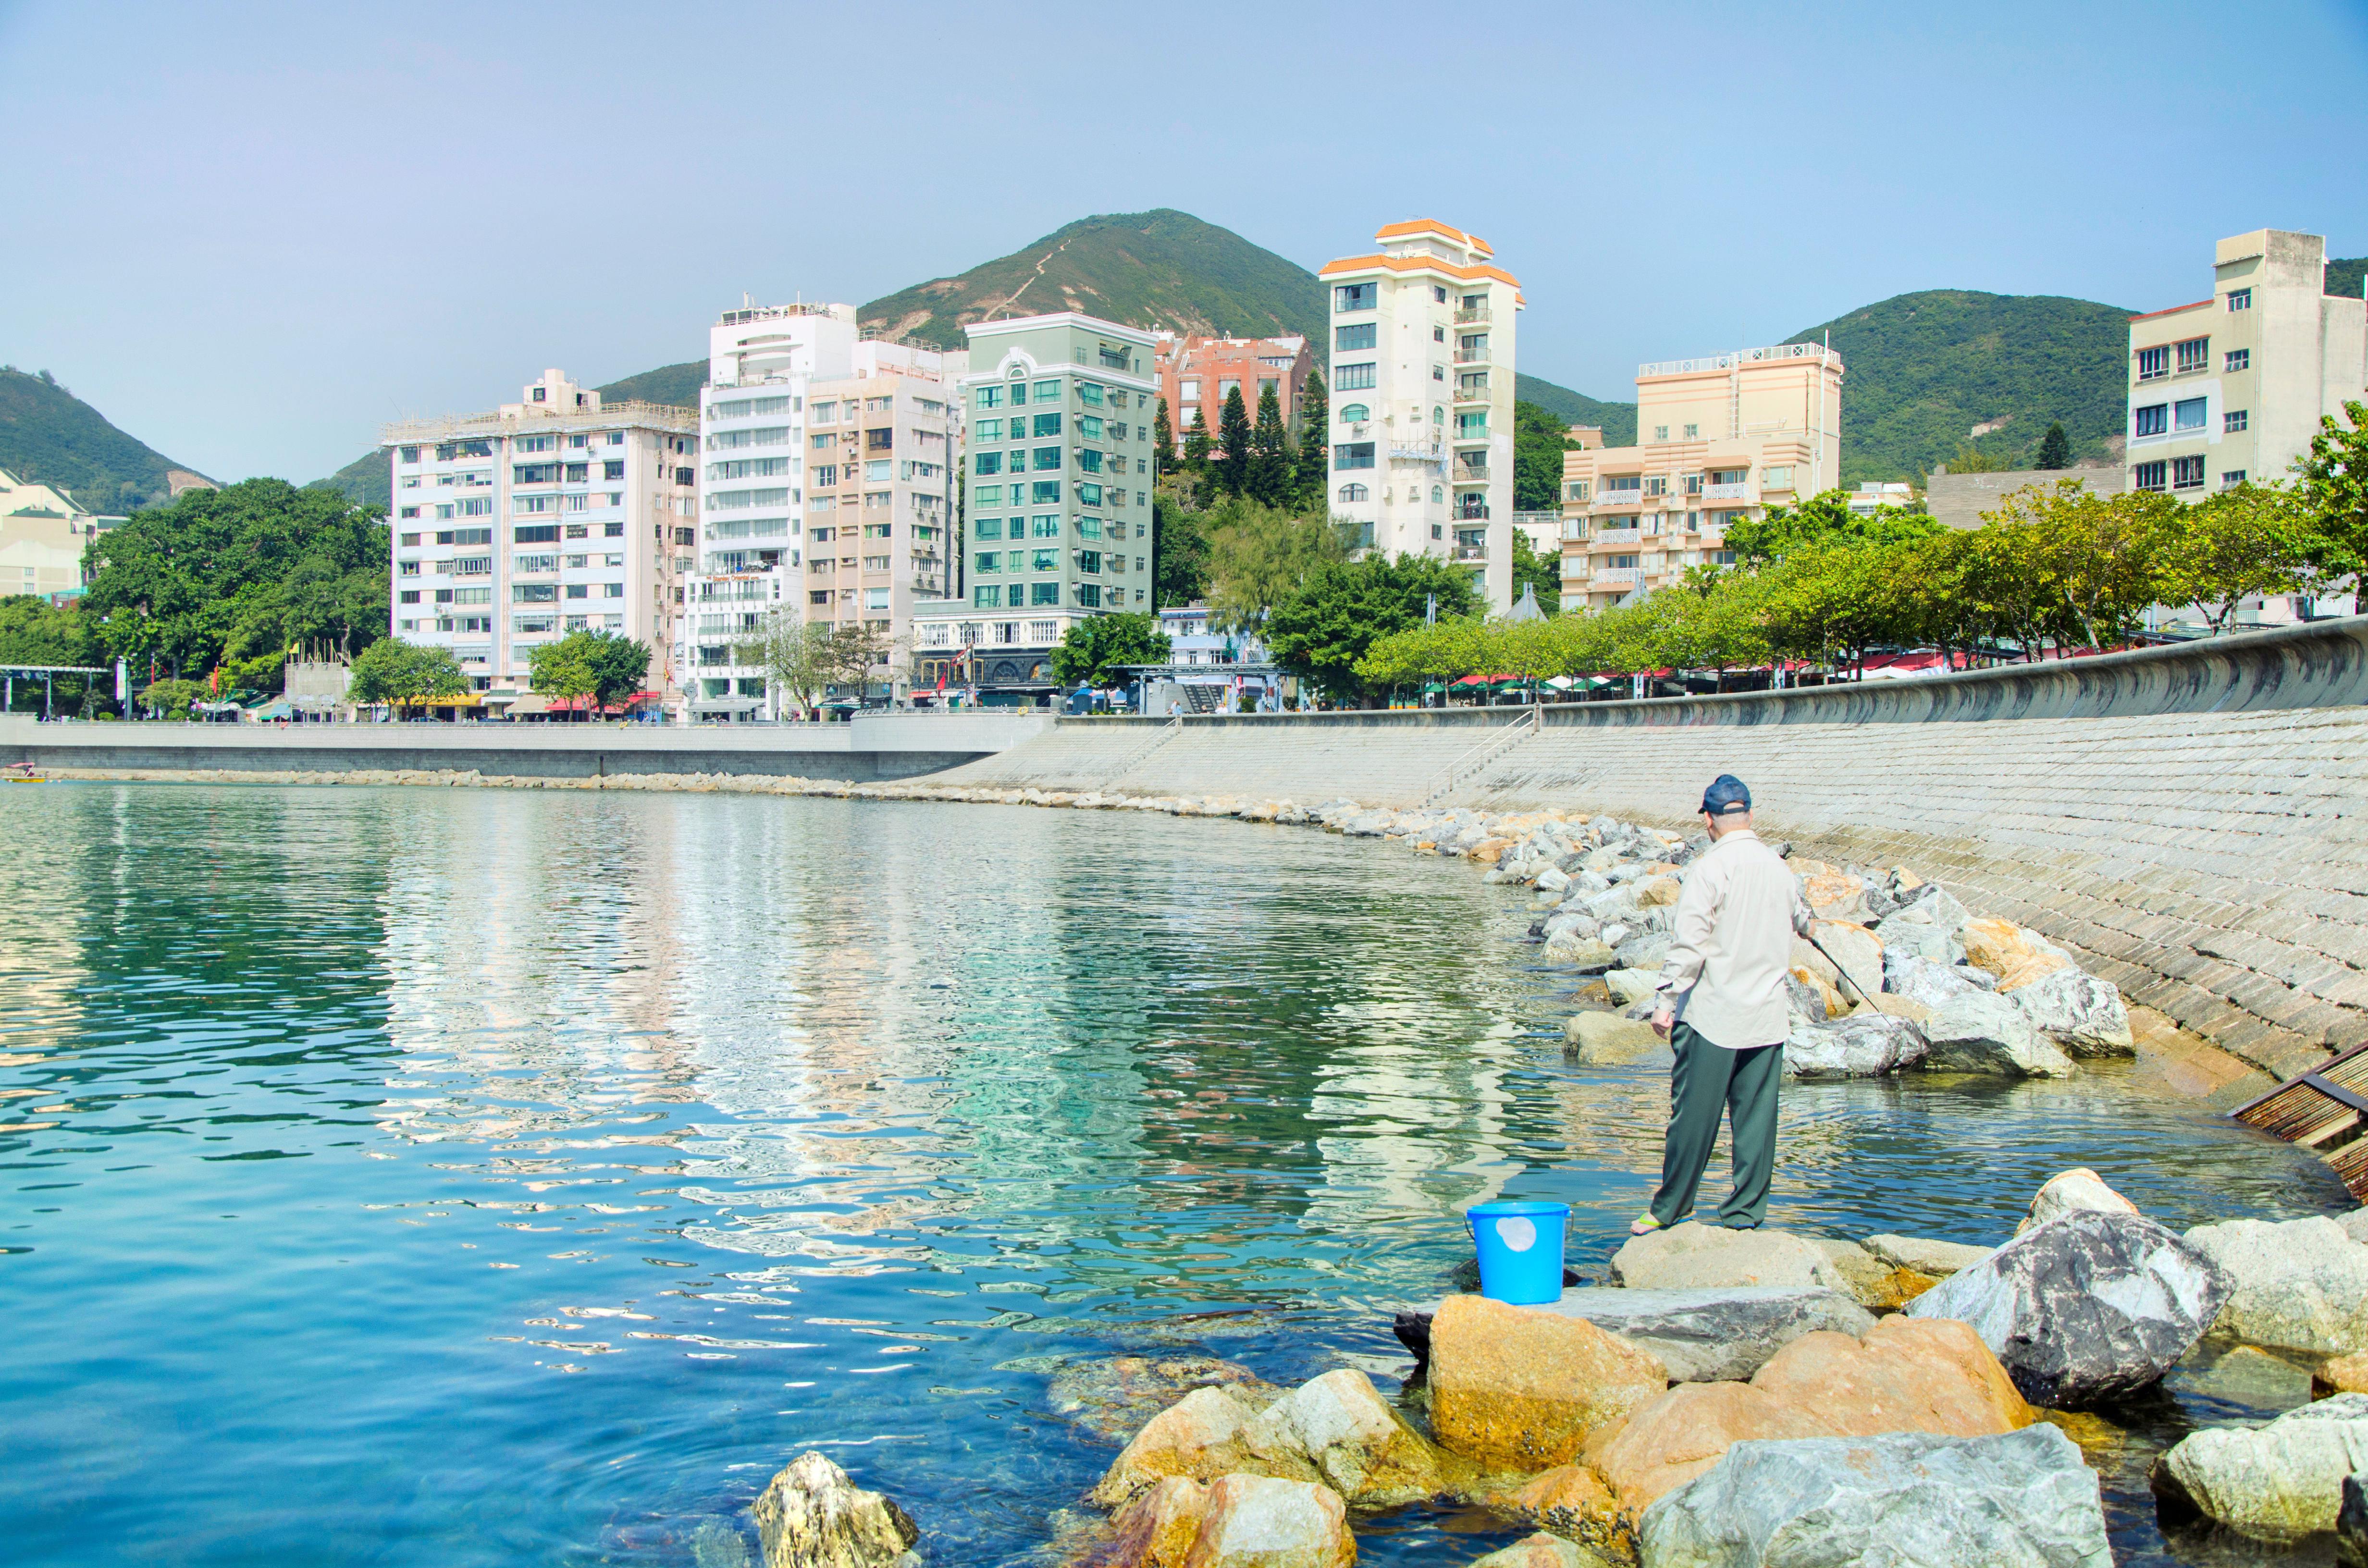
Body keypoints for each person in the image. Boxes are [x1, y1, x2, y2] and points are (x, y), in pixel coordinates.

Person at [1634, 774, 1811, 1236]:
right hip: (1768, 1017)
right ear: (1749, 814)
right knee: (1756, 1124)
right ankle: (1745, 1216)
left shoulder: (1710, 868)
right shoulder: (1779, 867)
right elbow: (1802, 919)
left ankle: (1672, 1209)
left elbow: (1690, 944)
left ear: (1709, 820)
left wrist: (1665, 1000)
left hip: (1713, 1015)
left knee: (1692, 1119)